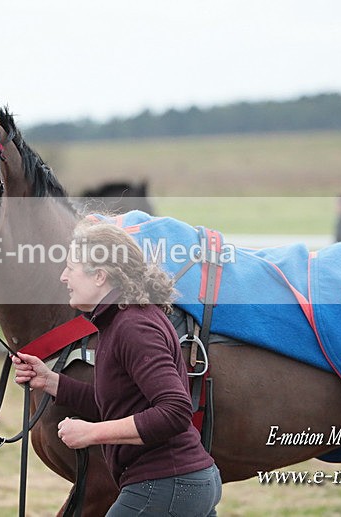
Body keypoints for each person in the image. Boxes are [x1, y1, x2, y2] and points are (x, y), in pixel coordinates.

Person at [12, 219, 222, 516]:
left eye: (71, 268)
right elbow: (120, 404)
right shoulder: (119, 320)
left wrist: (92, 433)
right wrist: (49, 381)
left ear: (99, 276)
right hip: (178, 484)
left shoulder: (133, 326)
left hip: (165, 485)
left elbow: (175, 411)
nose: (63, 277)